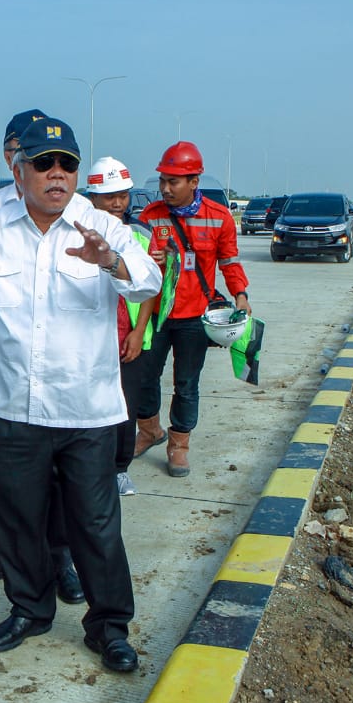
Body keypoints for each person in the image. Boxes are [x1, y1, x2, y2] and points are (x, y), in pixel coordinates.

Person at [0, 118, 161, 672]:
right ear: (18, 169)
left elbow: (148, 282)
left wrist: (109, 262)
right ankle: (29, 609)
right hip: (8, 403)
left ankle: (109, 626)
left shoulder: (98, 224)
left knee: (95, 524)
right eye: (44, 164)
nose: (57, 175)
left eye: (67, 165)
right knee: (18, 518)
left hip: (86, 409)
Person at [0, 109, 84, 608]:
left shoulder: (71, 212)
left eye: (55, 160)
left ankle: (59, 560)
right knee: (1, 477)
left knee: (56, 479)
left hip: (55, 374)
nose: (18, 157)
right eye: (16, 149)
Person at [134, 141, 250, 477]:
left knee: (186, 383)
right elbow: (137, 259)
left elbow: (229, 261)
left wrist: (240, 293)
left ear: (194, 182)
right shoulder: (151, 216)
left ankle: (178, 445)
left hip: (194, 317)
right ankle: (149, 431)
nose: (166, 188)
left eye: (174, 182)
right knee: (144, 377)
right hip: (154, 315)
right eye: (163, 181)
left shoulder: (219, 217)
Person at [85, 156, 153, 497]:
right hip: (92, 337)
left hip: (129, 335)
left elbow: (151, 288)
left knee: (125, 405)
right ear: (92, 197)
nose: (117, 203)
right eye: (108, 196)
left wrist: (139, 332)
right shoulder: (79, 232)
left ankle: (119, 469)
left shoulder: (140, 233)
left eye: (123, 195)